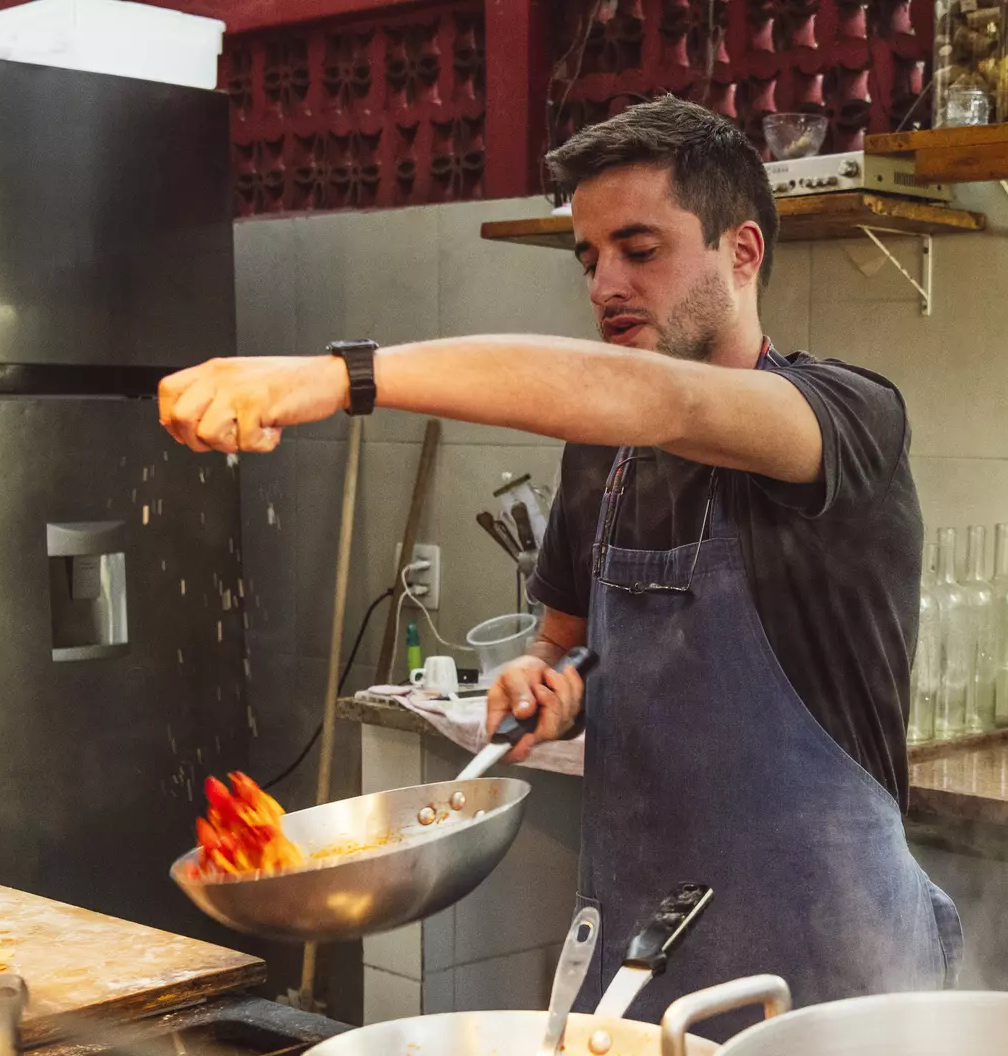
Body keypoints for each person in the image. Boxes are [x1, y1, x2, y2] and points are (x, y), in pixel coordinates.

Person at [158, 95, 960, 1034]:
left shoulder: (845, 414)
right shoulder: (602, 453)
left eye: (640, 249)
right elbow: (569, 646)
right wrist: (546, 679)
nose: (605, 284)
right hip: (640, 964)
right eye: (589, 258)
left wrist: (342, 376)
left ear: (742, 252)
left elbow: (666, 402)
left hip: (830, 978)